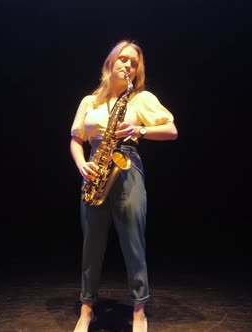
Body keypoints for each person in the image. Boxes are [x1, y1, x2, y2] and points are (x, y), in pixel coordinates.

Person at [70, 39, 178, 332]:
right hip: (95, 168)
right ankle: (86, 308)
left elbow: (171, 130)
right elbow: (76, 139)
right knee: (91, 244)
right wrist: (82, 164)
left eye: (134, 62)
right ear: (110, 63)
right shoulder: (88, 101)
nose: (128, 65)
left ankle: (139, 311)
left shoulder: (140, 99)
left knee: (133, 241)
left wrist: (140, 129)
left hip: (127, 165)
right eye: (123, 59)